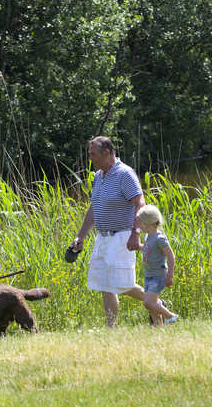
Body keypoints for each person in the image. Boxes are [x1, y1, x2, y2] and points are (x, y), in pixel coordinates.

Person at [70, 136, 146, 327]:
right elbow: (94, 208)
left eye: (93, 154)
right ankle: (111, 328)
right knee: (105, 283)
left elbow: (140, 203)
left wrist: (135, 233)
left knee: (123, 284)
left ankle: (157, 304)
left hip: (122, 236)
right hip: (103, 237)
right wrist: (81, 236)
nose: (91, 158)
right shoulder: (98, 176)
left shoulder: (125, 174)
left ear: (106, 152)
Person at [138, 204, 178, 325]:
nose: (139, 225)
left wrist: (170, 275)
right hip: (149, 274)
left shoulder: (159, 238)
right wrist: (138, 247)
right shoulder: (148, 236)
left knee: (148, 302)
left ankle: (171, 316)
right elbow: (148, 248)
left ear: (148, 223)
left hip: (158, 275)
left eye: (141, 223)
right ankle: (158, 327)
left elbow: (171, 256)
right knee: (152, 306)